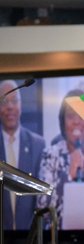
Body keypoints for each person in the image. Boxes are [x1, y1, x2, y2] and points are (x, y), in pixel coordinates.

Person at [36, 89, 84, 230]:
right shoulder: (50, 156)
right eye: (71, 116)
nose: (76, 122)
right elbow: (42, 210)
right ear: (62, 122)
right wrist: (68, 176)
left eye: (82, 116)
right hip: (61, 242)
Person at [0, 80, 46, 230]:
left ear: (21, 106)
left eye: (14, 101)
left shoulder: (38, 145)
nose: (10, 107)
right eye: (4, 102)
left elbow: (43, 198)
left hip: (31, 239)